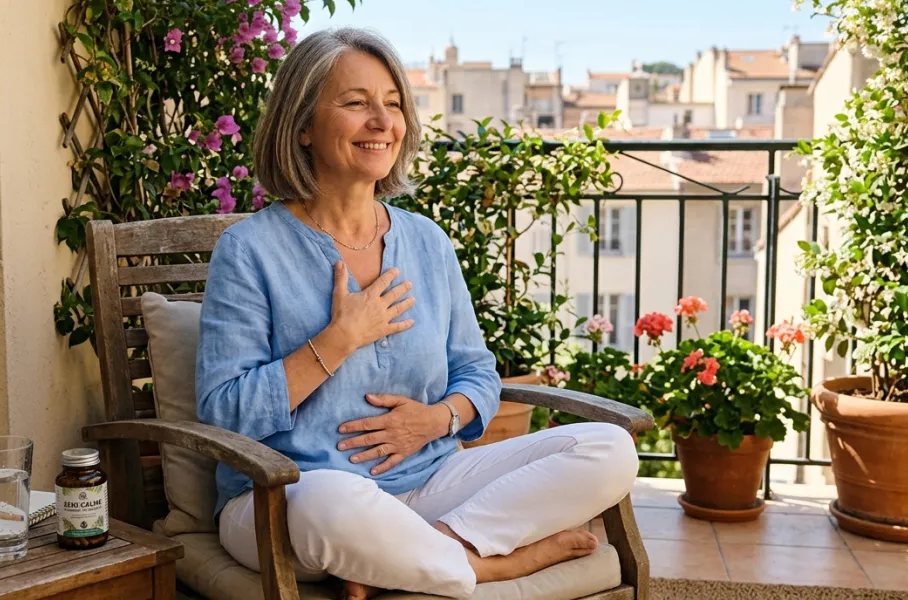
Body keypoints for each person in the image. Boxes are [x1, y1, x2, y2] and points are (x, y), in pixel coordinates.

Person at [196, 27, 639, 600]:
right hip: (292, 493)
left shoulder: (426, 242)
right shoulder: (251, 249)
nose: (383, 121)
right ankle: (489, 565)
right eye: (356, 103)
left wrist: (437, 420)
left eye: (394, 103)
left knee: (607, 448)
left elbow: (477, 374)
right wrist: (338, 340)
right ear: (301, 125)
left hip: (429, 480)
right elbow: (222, 414)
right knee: (333, 502)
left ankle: (427, 549)